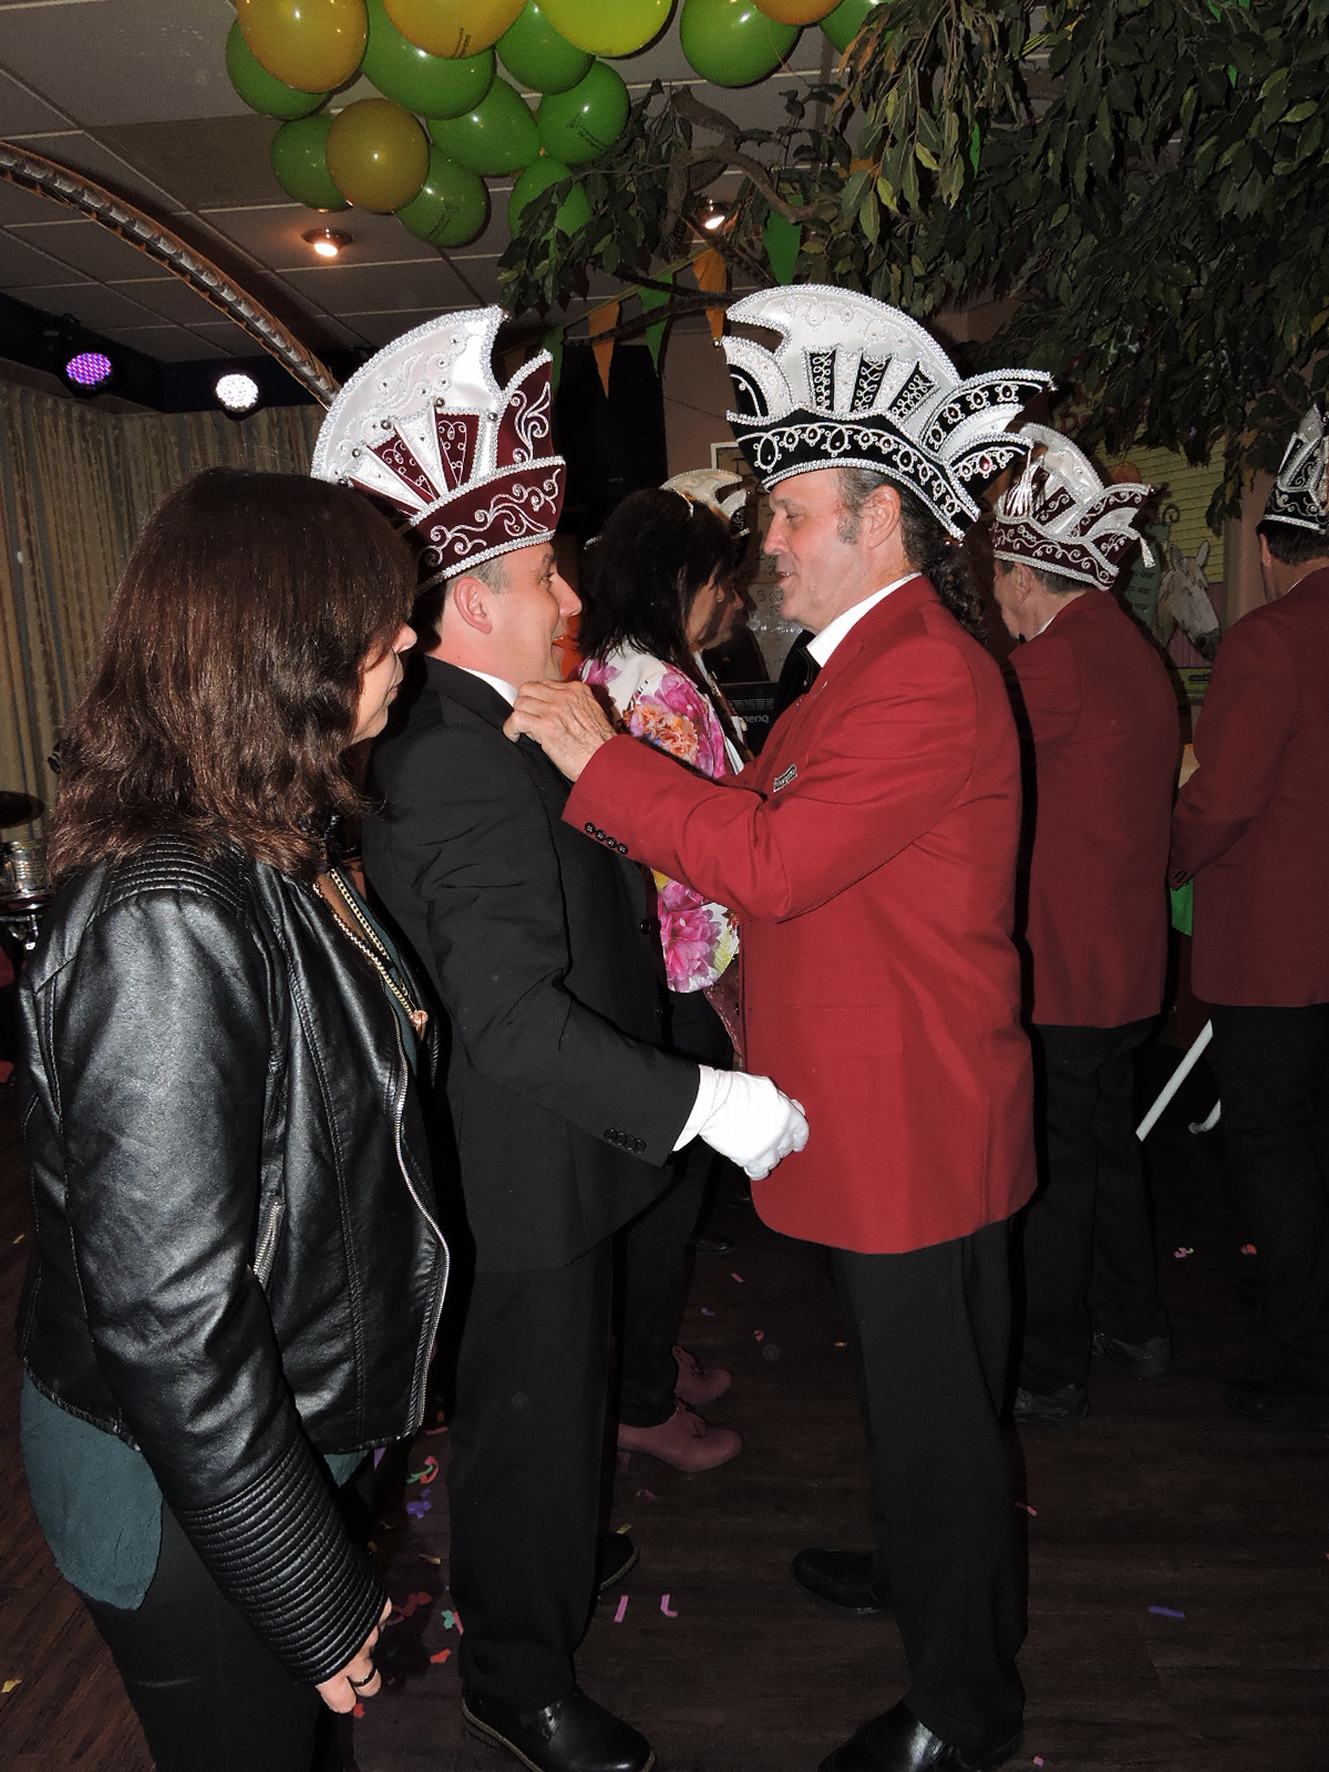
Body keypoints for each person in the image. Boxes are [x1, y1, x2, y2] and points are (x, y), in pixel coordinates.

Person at [509, 285, 1050, 1772]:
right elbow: (754, 813)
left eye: (797, 515)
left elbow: (770, 860)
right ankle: (932, 1570)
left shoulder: (921, 670)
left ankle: (963, 1707)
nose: (772, 544)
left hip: (917, 1121)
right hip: (892, 1104)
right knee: (923, 1405)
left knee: (939, 1417)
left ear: (882, 521)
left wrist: (596, 755)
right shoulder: (866, 664)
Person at [313, 307, 807, 1772]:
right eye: (541, 576)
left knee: (560, 1404)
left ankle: (545, 1563)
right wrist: (705, 1101)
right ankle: (515, 1670)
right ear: (471, 603)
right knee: (528, 1421)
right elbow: (513, 1017)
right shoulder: (457, 756)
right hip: (525, 1161)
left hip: (556, 1145)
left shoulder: (495, 716)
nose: (569, 596)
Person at [16, 468, 450, 1772]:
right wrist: (308, 1587)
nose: (409, 633)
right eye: (377, 616)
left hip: (259, 1444)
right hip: (181, 1488)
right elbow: (170, 1324)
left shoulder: (266, 841)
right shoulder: (167, 911)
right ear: (284, 649)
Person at [988, 427, 1180, 1427]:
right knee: (1107, 1148)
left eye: (1000, 580)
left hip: (1064, 969)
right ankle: (1133, 1323)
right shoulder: (1132, 653)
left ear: (1027, 576)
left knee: (1058, 1169)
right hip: (1127, 966)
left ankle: (1052, 1366)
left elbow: (960, 765)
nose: (998, 601)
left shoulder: (1053, 664)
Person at [579, 486, 745, 1473]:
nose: (730, 601)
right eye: (720, 580)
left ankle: (643, 1359)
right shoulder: (660, 688)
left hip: (649, 963)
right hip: (683, 969)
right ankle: (640, 1394)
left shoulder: (614, 669)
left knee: (654, 1188)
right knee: (668, 1196)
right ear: (679, 579)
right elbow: (690, 847)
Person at [1170, 402, 1329, 1430]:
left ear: (1271, 550)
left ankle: (1311, 1356)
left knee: (1273, 1147)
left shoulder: (1269, 641)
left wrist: (1165, 860)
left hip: (1276, 950)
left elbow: (1220, 799)